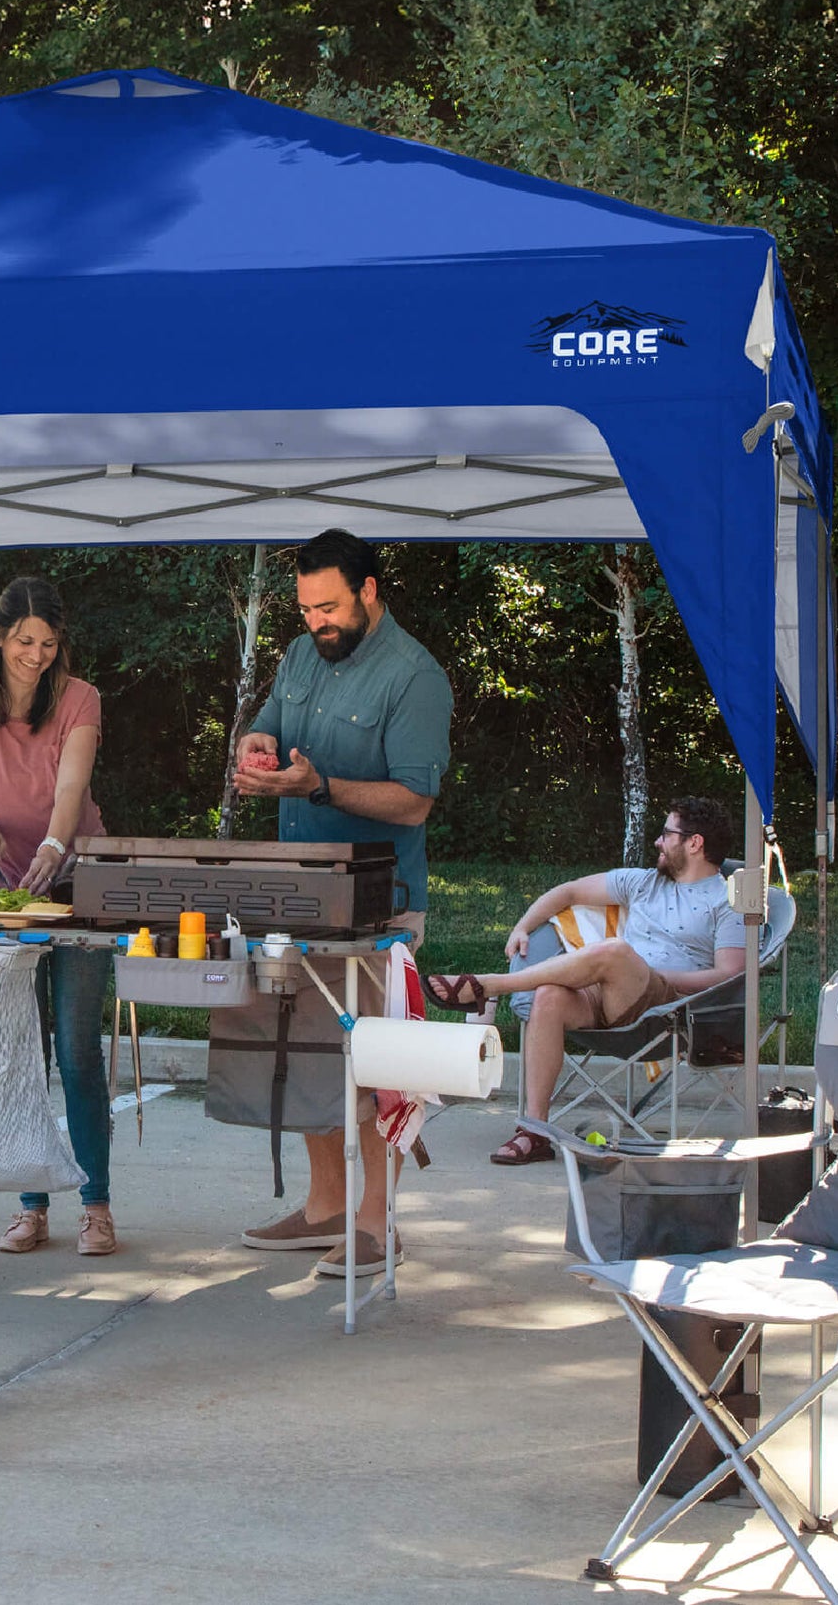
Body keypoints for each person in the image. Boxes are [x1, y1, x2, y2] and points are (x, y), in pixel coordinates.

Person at [230, 529, 453, 1276]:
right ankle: (324, 1207)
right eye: (305, 609)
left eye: (328, 607)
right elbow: (270, 720)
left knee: (368, 1063)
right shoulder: (301, 655)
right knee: (303, 1056)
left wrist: (318, 786)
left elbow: (415, 800)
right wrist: (257, 748)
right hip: (293, 897)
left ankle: (375, 1221)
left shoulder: (415, 677)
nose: (315, 621)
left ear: (368, 591)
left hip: (377, 910)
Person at [0, 575, 117, 1257]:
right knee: (21, 1050)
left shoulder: (79, 700)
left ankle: (95, 1207)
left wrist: (51, 843)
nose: (35, 655)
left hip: (76, 883)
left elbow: (70, 786)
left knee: (74, 1049)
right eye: (23, 641)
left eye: (46, 643)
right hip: (3, 894)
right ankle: (30, 1206)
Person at [428, 794, 746, 1165]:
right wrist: (522, 927)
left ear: (694, 843)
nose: (658, 842)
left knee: (614, 952)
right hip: (610, 996)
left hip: (666, 1007)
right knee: (548, 996)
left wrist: (649, 973)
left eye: (666, 834)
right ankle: (535, 1131)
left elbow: (730, 975)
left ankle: (490, 987)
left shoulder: (727, 901)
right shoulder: (643, 883)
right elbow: (570, 891)